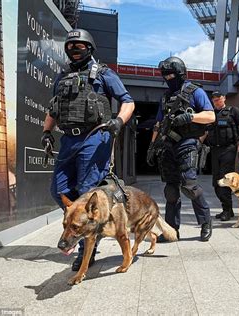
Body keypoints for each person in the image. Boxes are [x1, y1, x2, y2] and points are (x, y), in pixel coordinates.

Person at [41, 29, 135, 270]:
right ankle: (88, 224)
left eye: (80, 45)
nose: (74, 49)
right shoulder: (62, 76)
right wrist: (46, 132)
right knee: (58, 190)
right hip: (68, 140)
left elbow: (128, 101)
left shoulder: (104, 74)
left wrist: (119, 121)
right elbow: (53, 109)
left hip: (95, 138)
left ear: (90, 48)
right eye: (70, 45)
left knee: (85, 190)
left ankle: (85, 248)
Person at [146, 57, 215, 242]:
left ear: (180, 73)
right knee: (170, 190)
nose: (168, 77)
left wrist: (189, 117)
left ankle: (206, 222)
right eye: (165, 75)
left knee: (190, 186)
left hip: (187, 143)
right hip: (168, 145)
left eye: (171, 74)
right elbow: (159, 125)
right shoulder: (165, 97)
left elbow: (210, 116)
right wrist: (152, 146)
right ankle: (172, 230)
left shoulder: (195, 91)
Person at [203, 91, 239, 221]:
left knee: (225, 179)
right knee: (216, 182)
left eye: (219, 99)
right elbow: (205, 133)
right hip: (214, 150)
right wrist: (196, 143)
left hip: (229, 149)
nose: (217, 101)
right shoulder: (210, 114)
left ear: (224, 98)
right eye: (214, 100)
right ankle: (227, 209)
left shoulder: (233, 111)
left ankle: (227, 211)